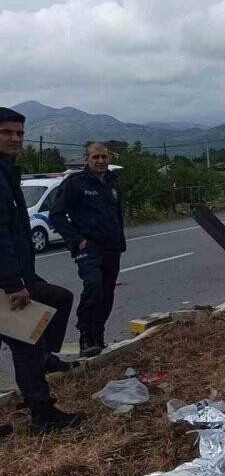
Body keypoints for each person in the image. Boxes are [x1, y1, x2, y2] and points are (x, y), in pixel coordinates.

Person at [0, 107, 85, 434]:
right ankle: (43, 417)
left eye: (19, 133)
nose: (15, 138)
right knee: (26, 345)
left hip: (17, 275)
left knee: (58, 299)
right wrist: (12, 283)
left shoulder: (7, 171)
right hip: (6, 282)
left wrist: (28, 277)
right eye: (7, 132)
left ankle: (46, 358)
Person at [51, 142, 126, 358]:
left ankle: (98, 333)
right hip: (89, 247)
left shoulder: (113, 181)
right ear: (87, 159)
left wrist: (120, 240)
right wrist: (77, 240)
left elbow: (117, 213)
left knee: (107, 291)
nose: (100, 161)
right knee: (93, 285)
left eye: (104, 157)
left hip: (112, 246)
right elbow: (56, 214)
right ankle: (85, 335)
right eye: (96, 157)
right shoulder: (75, 182)